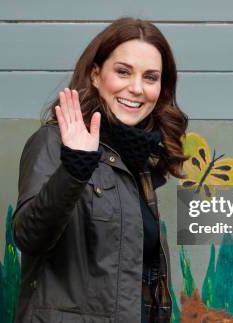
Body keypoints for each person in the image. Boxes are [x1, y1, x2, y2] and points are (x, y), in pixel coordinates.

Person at [12, 17, 188, 322]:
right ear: (96, 74)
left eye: (150, 77)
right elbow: (29, 236)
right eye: (122, 72)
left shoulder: (139, 163)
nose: (136, 88)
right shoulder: (54, 143)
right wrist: (75, 168)